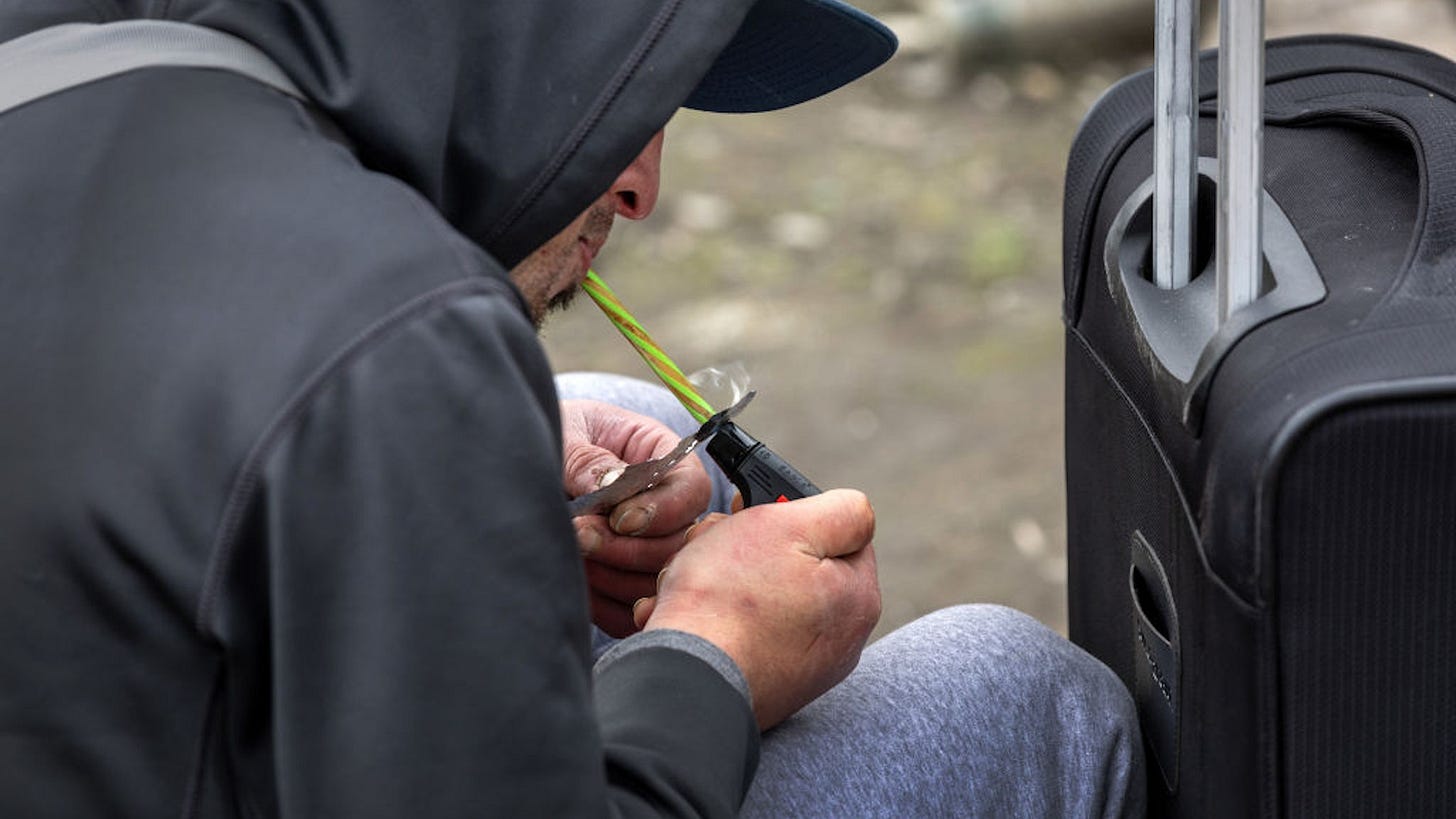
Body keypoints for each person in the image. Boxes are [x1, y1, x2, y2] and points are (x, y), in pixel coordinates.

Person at [0, 0, 1142, 817]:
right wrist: (711, 659)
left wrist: (467, 442)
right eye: (631, 93)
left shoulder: (84, 65)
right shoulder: (387, 338)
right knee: (1014, 692)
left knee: (609, 406)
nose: (643, 188)